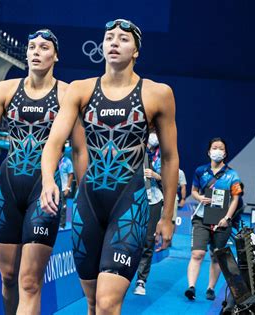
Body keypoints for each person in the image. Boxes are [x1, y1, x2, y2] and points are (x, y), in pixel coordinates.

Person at [40, 19, 179, 315]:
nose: (114, 42)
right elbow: (54, 143)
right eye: (109, 37)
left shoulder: (158, 93)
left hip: (129, 206)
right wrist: (47, 180)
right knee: (92, 303)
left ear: (136, 51)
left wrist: (167, 216)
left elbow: (169, 158)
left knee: (107, 304)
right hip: (87, 205)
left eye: (123, 39)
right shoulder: (80, 90)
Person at [0, 29, 85, 315]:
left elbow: (80, 149)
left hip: (44, 193)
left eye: (44, 47)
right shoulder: (5, 90)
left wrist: (83, 193)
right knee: (8, 278)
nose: (36, 52)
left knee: (30, 281)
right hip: (7, 190)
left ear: (55, 56)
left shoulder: (68, 93)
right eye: (31, 46)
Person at [185, 137, 242, 301]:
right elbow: (194, 191)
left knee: (216, 256)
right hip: (201, 217)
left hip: (222, 220)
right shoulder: (200, 171)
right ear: (209, 151)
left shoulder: (233, 175)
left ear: (225, 153)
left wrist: (227, 218)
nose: (218, 150)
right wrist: (199, 198)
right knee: (197, 253)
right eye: (215, 147)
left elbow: (236, 198)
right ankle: (191, 287)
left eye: (221, 148)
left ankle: (210, 288)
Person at [133, 132, 164, 296]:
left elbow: (172, 178)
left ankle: (141, 280)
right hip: (134, 199)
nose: (153, 135)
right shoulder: (134, 148)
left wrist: (156, 175)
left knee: (148, 240)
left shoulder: (164, 154)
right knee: (130, 237)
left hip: (153, 200)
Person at [58, 154, 74, 229]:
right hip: (58, 188)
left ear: (62, 152)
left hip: (65, 188)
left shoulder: (67, 161)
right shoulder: (57, 161)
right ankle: (58, 223)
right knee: (58, 207)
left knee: (64, 207)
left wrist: (67, 188)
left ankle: (63, 225)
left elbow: (71, 175)